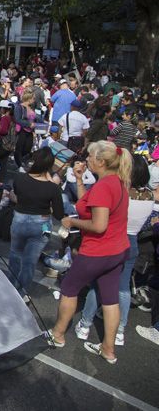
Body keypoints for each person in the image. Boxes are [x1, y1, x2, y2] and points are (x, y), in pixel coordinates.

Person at [47, 141, 132, 364]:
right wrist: (78, 178)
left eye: (91, 157)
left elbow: (98, 224)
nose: (87, 160)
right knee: (110, 299)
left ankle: (57, 335)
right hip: (118, 250)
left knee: (69, 288)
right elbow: (89, 205)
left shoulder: (104, 186)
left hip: (97, 251)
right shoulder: (116, 182)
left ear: (101, 162)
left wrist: (70, 221)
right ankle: (108, 349)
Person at [74, 154, 154, 346]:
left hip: (111, 241)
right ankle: (120, 331)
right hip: (132, 243)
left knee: (97, 285)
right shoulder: (149, 195)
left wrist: (80, 181)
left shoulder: (119, 191)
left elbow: (87, 208)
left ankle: (84, 325)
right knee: (123, 288)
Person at [8, 147, 65, 301]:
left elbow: (17, 195)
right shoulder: (53, 188)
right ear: (50, 166)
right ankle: (21, 294)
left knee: (15, 255)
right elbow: (59, 214)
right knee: (29, 262)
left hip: (20, 219)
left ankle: (10, 288)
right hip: (41, 224)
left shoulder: (20, 178)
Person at [13, 89, 36, 169]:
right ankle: (19, 165)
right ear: (29, 99)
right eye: (33, 98)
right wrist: (29, 124)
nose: (34, 100)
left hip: (30, 132)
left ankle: (22, 163)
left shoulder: (30, 107)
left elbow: (35, 117)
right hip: (22, 131)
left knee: (27, 148)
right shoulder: (19, 107)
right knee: (19, 148)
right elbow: (17, 119)